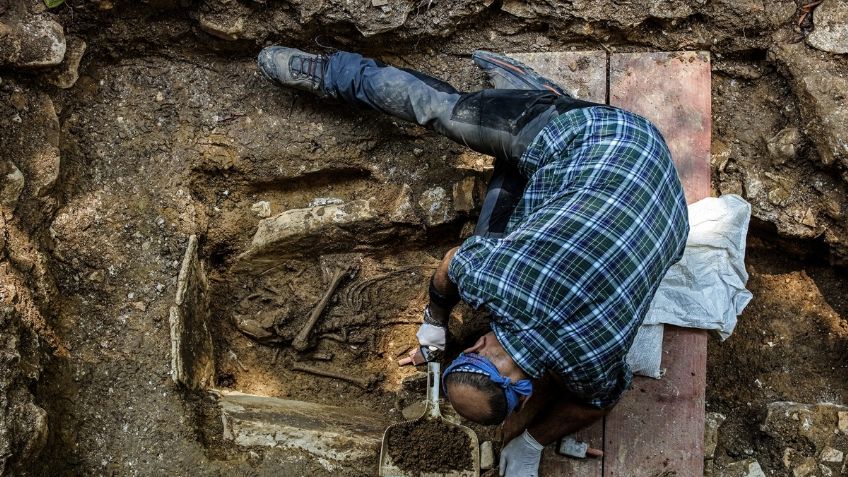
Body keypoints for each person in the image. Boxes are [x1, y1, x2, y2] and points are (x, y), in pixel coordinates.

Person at [257, 46, 689, 477]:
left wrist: (531, 439)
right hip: (613, 148)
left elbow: (598, 401)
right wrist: (435, 320)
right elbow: (451, 264)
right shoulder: (494, 281)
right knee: (454, 127)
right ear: (482, 350)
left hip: (662, 199)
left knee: (465, 155)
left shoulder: (592, 362)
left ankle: (514, 108)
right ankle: (524, 100)